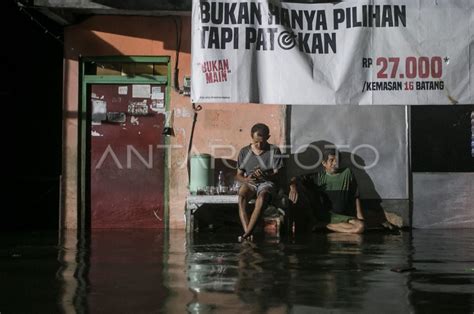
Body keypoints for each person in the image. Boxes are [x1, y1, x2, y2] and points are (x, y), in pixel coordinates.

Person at [288, 148, 365, 234]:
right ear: (324, 163)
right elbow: (295, 179)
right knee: (359, 227)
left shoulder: (347, 173)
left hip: (343, 216)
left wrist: (360, 215)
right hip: (327, 215)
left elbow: (356, 195)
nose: (335, 163)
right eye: (331, 160)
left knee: (360, 226)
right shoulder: (319, 177)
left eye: (337, 160)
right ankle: (324, 224)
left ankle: (323, 225)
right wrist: (293, 188)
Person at [235, 123, 283, 241]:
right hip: (250, 182)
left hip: (267, 182)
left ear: (268, 137)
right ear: (251, 137)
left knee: (262, 198)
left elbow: (279, 175)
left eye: (262, 141)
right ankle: (248, 233)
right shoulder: (244, 152)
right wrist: (246, 179)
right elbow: (238, 175)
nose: (259, 144)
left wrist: (267, 175)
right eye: (256, 141)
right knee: (241, 197)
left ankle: (246, 235)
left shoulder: (274, 150)